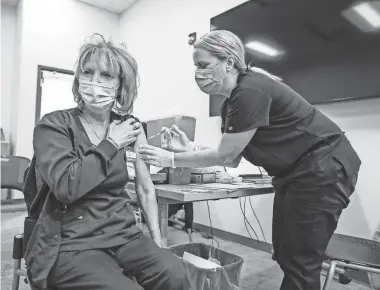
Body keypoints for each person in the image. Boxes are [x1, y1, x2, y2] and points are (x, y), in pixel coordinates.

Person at [138, 30, 362, 290]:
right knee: (286, 251)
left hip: (323, 166)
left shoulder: (250, 89)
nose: (198, 73)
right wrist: (191, 147)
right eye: (196, 66)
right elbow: (232, 157)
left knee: (301, 261)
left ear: (229, 62)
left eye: (204, 65)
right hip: (299, 171)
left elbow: (226, 155)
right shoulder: (231, 103)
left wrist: (172, 158)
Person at [24, 34, 189, 290]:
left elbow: (146, 188)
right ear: (78, 79)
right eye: (88, 72)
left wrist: (158, 241)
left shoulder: (131, 127)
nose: (95, 83)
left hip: (122, 234)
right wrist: (111, 143)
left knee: (174, 272)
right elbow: (66, 187)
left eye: (106, 76)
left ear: (121, 84)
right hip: (71, 241)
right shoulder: (54, 124)